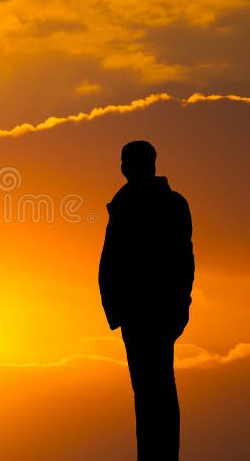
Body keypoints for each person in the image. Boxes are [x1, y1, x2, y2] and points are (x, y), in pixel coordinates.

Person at [99, 140, 195, 461]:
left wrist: (179, 309)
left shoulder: (169, 205)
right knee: (147, 389)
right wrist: (116, 309)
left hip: (156, 311)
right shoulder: (125, 204)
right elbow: (112, 263)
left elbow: (183, 262)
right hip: (135, 312)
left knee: (158, 389)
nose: (128, 170)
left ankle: (161, 456)